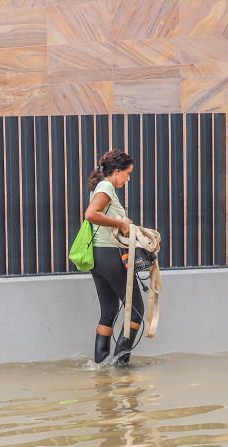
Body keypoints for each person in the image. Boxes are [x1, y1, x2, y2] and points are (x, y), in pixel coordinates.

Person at [83, 150, 143, 367]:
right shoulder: (106, 187)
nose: (128, 178)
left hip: (98, 256)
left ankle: (100, 365)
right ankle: (120, 365)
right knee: (135, 311)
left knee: (108, 311)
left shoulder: (101, 187)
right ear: (117, 171)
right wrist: (121, 223)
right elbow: (90, 214)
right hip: (110, 254)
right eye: (127, 173)